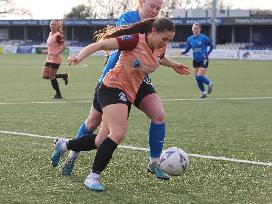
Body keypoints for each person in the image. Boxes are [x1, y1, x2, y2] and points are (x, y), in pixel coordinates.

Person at [51, 17, 190, 191]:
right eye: (165, 38)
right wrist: (79, 57)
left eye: (169, 39)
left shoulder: (160, 46)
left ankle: (63, 145)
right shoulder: (134, 40)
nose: (166, 43)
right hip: (111, 88)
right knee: (118, 131)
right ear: (153, 31)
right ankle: (93, 177)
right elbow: (101, 45)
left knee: (100, 141)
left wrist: (174, 65)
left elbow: (160, 57)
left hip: (128, 93)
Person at [182, 23, 214, 98]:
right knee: (197, 78)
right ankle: (204, 93)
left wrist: (207, 54)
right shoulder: (190, 39)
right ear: (192, 29)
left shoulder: (204, 38)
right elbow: (187, 49)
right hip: (195, 60)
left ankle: (209, 83)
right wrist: (183, 52)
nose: (195, 30)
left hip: (203, 60)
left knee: (199, 77)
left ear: (200, 29)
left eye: (197, 28)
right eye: (194, 28)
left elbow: (212, 46)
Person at [42, 20, 68, 99]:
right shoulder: (50, 34)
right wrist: (47, 51)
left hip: (55, 59)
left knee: (51, 77)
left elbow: (64, 46)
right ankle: (64, 76)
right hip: (49, 58)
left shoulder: (58, 35)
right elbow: (52, 46)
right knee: (45, 75)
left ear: (57, 26)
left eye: (54, 24)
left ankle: (58, 94)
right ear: (50, 25)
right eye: (51, 24)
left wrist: (56, 53)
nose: (53, 26)